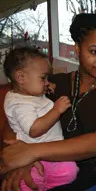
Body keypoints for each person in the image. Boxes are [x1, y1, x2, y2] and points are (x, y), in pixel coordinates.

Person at [0, 13, 96, 190]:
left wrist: (32, 152)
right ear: (77, 49)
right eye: (94, 51)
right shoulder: (51, 83)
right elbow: (15, 117)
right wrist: (19, 158)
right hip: (47, 167)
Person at [3, 47, 79, 190]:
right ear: (21, 78)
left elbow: (38, 102)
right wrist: (56, 110)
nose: (46, 82)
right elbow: (34, 130)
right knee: (29, 182)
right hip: (32, 157)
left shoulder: (29, 93)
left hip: (48, 153)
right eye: (43, 78)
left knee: (70, 170)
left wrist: (46, 87)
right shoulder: (19, 104)